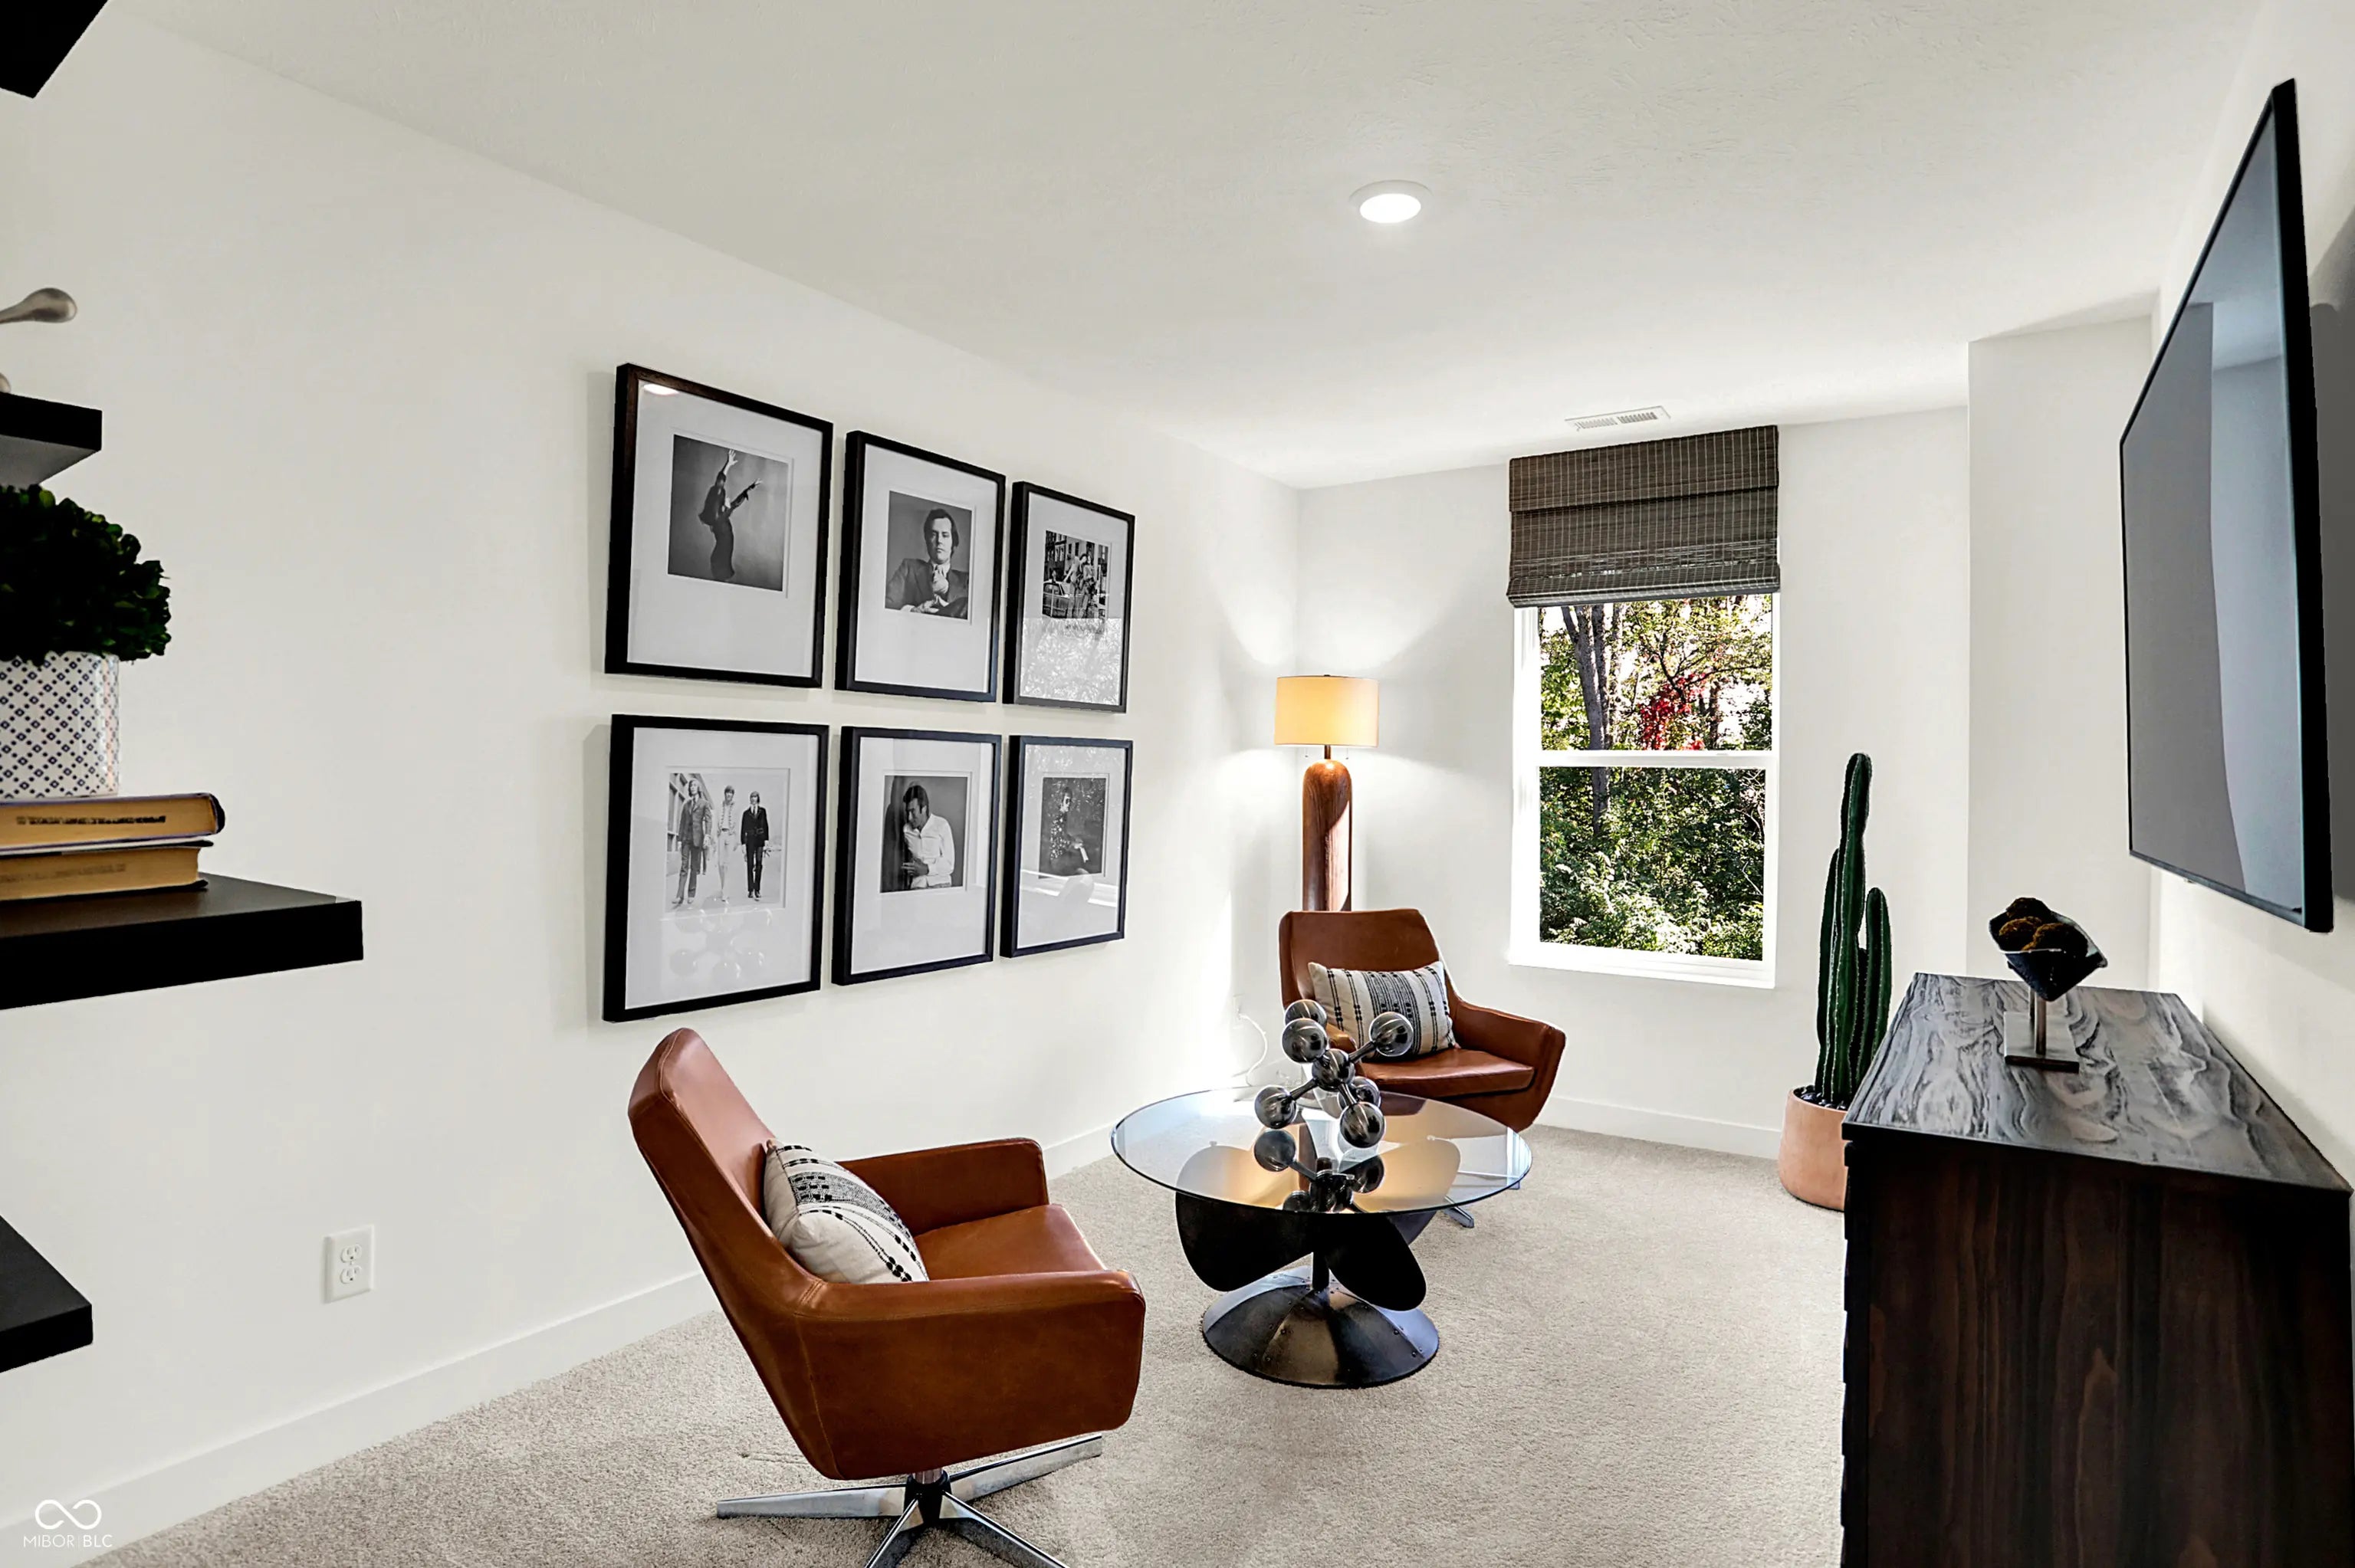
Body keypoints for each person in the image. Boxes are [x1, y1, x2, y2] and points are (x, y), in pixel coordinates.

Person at [884, 507, 968, 617]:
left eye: (945, 535)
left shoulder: (966, 580)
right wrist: (913, 611)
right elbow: (887, 605)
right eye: (934, 534)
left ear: (954, 542)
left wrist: (948, 590)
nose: (939, 541)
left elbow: (972, 613)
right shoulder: (908, 569)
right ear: (927, 539)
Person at [699, 451, 760, 582]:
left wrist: (751, 487)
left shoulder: (724, 514)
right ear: (720, 503)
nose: (728, 498)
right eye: (725, 497)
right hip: (720, 559)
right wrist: (728, 465)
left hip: (723, 557)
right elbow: (719, 483)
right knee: (720, 580)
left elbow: (737, 502)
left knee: (722, 581)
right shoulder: (718, 517)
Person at [897, 783, 956, 889]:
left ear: (924, 809)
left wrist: (927, 869)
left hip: (940, 886)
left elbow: (949, 865)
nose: (909, 818)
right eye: (907, 812)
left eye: (913, 811)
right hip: (917, 887)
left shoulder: (942, 825)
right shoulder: (906, 830)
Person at [672, 778, 710, 907]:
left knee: (694, 867)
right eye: (691, 786)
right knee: (684, 866)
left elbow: (708, 820)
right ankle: (679, 895)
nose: (692, 787)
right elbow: (682, 823)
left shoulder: (704, 804)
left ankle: (691, 894)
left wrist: (707, 835)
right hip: (686, 839)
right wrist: (679, 840)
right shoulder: (686, 804)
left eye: (694, 785)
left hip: (697, 839)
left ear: (698, 788)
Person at [741, 790, 770, 902]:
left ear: (758, 799)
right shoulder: (746, 813)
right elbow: (743, 829)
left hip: (760, 840)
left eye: (755, 797)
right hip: (750, 841)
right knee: (750, 865)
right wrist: (743, 843)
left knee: (759, 864)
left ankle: (757, 889)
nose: (754, 799)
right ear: (750, 799)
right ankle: (750, 890)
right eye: (752, 797)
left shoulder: (763, 811)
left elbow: (766, 826)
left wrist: (766, 840)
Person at [713, 786, 737, 902]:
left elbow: (738, 823)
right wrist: (715, 833)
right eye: (727, 793)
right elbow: (716, 821)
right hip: (721, 834)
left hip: (730, 835)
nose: (729, 795)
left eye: (731, 793)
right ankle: (723, 887)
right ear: (725, 794)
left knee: (728, 864)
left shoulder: (736, 807)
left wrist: (736, 838)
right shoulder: (720, 806)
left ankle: (726, 891)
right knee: (720, 863)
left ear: (733, 795)